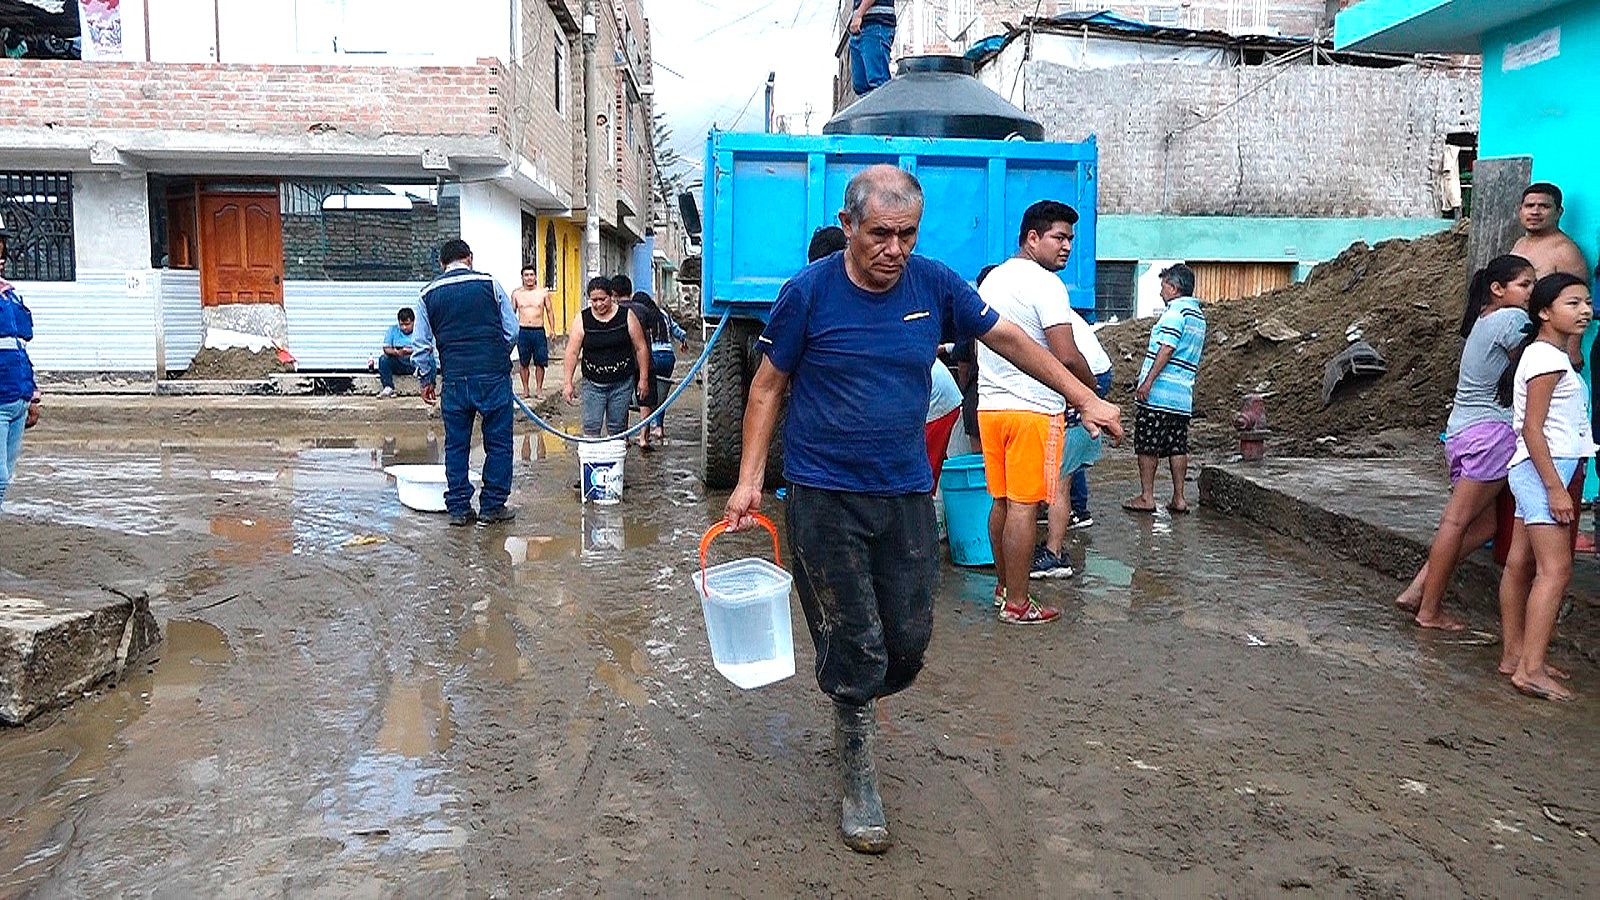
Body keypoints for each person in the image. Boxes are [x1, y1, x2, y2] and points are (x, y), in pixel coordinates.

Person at [721, 165, 1122, 853]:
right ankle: (858, 768)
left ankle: (855, 687)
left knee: (905, 646)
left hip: (906, 490)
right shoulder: (807, 294)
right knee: (857, 641)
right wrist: (750, 478)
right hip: (823, 495)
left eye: (907, 234)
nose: (895, 249)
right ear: (849, 226)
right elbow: (767, 387)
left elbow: (1009, 340)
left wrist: (1082, 396)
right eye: (880, 234)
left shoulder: (933, 283)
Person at [1392, 255, 1536, 630]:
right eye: (1526, 285)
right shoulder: (1513, 319)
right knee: (1455, 522)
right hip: (1493, 435)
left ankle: (1417, 589)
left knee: (1483, 526)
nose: (1532, 293)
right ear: (1498, 289)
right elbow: (1536, 362)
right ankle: (1430, 612)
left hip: (1462, 433)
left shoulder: (1483, 320)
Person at [978, 200, 1095, 612]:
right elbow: (1065, 354)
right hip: (1033, 410)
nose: (1066, 247)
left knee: (1002, 503)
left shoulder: (992, 281)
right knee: (1025, 507)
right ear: (1032, 238)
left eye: (1070, 239)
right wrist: (1091, 392)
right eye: (1059, 238)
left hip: (991, 408)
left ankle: (1002, 589)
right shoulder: (1047, 284)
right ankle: (1019, 603)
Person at [1496, 272, 1594, 702]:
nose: (1585, 311)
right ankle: (1530, 669)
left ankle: (1515, 655)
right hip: (1543, 470)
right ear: (1544, 312)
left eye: (1587, 303)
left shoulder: (1545, 355)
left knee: (1521, 563)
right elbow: (1534, 430)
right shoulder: (1548, 360)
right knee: (1556, 570)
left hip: (1535, 470)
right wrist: (1556, 489)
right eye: (1572, 304)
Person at [411, 239, 519, 527]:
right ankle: (492, 507)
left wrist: (426, 379)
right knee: (498, 443)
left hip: (455, 379)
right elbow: (512, 330)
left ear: (442, 264)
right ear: (469, 258)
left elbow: (422, 346)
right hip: (493, 376)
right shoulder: (490, 284)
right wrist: (497, 356)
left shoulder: (427, 294)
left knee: (456, 445)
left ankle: (459, 509)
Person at [1124, 264, 1206, 515]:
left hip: (1160, 393)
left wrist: (1147, 381)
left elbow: (1167, 348)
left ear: (1174, 287)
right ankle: (1179, 497)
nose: (1161, 291)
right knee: (1177, 445)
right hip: (1182, 395)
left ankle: (1147, 496)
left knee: (1148, 444)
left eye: (1163, 286)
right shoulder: (1198, 318)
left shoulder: (1174, 314)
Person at [1037, 305, 1113, 572]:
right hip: (1087, 376)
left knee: (1060, 474)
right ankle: (1073, 517)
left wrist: (1086, 396)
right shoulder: (1040, 300)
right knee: (1064, 468)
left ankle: (1054, 553)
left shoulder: (1035, 307)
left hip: (1084, 377)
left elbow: (1068, 359)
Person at [562, 276, 649, 438]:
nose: (598, 304)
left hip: (622, 384)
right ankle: (592, 461)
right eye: (593, 300)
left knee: (617, 429)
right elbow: (572, 352)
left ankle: (615, 461)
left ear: (611, 297)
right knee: (591, 427)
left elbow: (641, 348)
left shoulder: (627, 316)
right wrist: (568, 383)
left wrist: (643, 379)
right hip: (593, 384)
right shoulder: (582, 319)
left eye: (602, 299)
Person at [0, 224, 40, 511]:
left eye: (2, 256)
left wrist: (33, 397)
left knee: (6, 476)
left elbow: (21, 349)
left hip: (19, 398)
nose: (1, 261)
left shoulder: (12, 296)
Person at [632, 289, 687, 449]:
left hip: (652, 356)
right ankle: (659, 428)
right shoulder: (663, 313)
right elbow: (679, 332)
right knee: (661, 395)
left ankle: (644, 432)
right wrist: (683, 341)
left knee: (649, 395)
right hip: (669, 357)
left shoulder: (639, 316)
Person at [1510, 183, 1590, 279]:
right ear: (1520, 211)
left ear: (1558, 213)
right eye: (1529, 206)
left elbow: (1576, 292)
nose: (1535, 212)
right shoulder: (1520, 243)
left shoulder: (1565, 251)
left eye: (1544, 206)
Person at [512, 265, 555, 398]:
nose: (529, 278)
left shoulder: (543, 293)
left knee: (540, 362)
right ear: (522, 277)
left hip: (538, 331)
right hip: (523, 331)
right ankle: (525, 390)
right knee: (523, 362)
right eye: (526, 275)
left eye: (531, 275)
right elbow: (511, 314)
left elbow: (549, 311)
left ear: (535, 277)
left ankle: (539, 389)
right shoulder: (517, 294)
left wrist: (552, 329)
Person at [847, 0, 896, 97]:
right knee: (861, 87)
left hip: (876, 24)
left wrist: (858, 15)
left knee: (878, 84)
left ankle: (882, 110)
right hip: (860, 28)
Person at [376, 307, 417, 398]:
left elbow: (429, 348)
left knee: (429, 359)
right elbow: (386, 348)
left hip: (415, 362)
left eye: (407, 324)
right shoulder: (393, 330)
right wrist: (396, 352)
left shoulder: (420, 330)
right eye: (401, 324)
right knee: (383, 359)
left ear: (413, 322)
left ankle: (429, 384)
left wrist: (412, 351)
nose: (404, 327)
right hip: (399, 361)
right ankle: (388, 387)